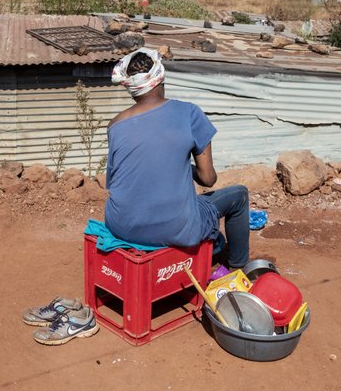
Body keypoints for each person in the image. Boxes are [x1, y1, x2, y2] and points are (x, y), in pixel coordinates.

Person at [104, 47, 250, 269]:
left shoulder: (115, 125)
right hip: (173, 227)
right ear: (161, 77)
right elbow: (208, 179)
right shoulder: (189, 113)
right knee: (239, 195)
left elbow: (116, 180)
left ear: (131, 88)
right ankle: (239, 268)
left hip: (120, 225)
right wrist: (187, 166)